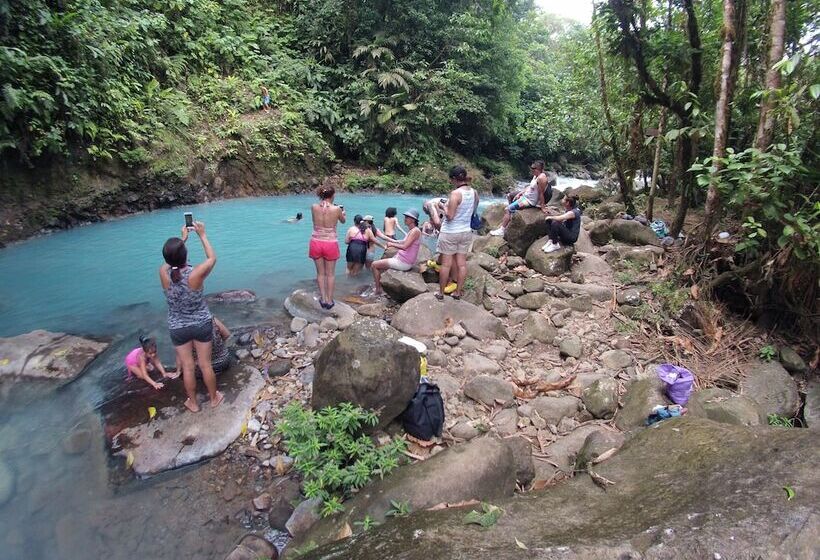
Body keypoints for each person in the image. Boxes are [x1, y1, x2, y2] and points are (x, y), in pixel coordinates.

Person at [161, 222, 222, 412]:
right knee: (205, 364)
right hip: (200, 324)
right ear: (185, 255)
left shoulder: (163, 274)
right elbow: (212, 258)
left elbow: (167, 265)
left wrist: (182, 240)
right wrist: (202, 235)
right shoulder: (195, 275)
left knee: (187, 367)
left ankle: (193, 403)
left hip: (177, 327)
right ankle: (213, 398)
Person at [436, 166, 478, 300]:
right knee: (461, 264)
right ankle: (457, 293)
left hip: (450, 232)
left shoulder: (455, 194)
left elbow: (450, 216)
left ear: (454, 179)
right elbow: (473, 209)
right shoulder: (474, 192)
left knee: (446, 264)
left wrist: (443, 207)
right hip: (466, 231)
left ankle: (441, 293)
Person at [490, 160, 551, 236]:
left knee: (507, 209)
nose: (531, 170)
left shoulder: (541, 178)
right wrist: (520, 193)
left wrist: (542, 206)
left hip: (529, 201)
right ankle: (511, 215)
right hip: (526, 196)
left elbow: (541, 193)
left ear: (538, 169)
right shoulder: (536, 175)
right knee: (510, 196)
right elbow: (530, 187)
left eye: (533, 169)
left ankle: (502, 230)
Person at [309, 185, 345, 308]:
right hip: (330, 243)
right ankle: (330, 301)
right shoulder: (337, 209)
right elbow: (343, 221)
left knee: (320, 273)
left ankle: (323, 299)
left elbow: (315, 220)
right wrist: (342, 213)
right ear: (333, 195)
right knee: (330, 274)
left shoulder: (313, 207)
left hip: (316, 242)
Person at [372, 209, 423, 295]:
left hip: (404, 262)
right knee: (381, 265)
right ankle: (380, 285)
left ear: (413, 220)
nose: (405, 219)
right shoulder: (413, 230)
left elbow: (405, 246)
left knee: (374, 265)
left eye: (407, 217)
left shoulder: (415, 231)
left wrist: (392, 244)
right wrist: (392, 241)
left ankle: (378, 289)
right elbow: (402, 241)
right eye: (405, 217)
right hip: (402, 259)